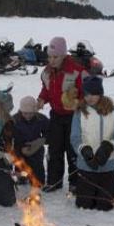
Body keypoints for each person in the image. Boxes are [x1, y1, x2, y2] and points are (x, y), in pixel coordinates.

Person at [37, 36, 87, 193]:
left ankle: (75, 182)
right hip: (56, 116)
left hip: (74, 117)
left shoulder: (77, 72)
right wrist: (41, 99)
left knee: (73, 150)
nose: (51, 60)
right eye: (49, 57)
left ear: (64, 55)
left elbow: (89, 93)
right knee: (54, 149)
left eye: (55, 56)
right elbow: (46, 89)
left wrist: (79, 101)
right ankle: (54, 180)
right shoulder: (46, 73)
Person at [70, 76, 114, 211]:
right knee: (84, 205)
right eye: (86, 94)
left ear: (100, 93)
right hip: (86, 165)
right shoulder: (80, 112)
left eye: (93, 94)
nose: (89, 98)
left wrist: (109, 147)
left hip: (108, 165)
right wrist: (84, 150)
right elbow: (75, 137)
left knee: (105, 206)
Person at [12, 96, 49, 185]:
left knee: (38, 181)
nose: (28, 116)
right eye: (25, 113)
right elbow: (9, 138)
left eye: (30, 113)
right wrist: (21, 147)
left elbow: (49, 133)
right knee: (20, 168)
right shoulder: (14, 120)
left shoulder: (41, 119)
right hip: (19, 149)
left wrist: (40, 141)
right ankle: (22, 176)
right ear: (21, 111)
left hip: (36, 148)